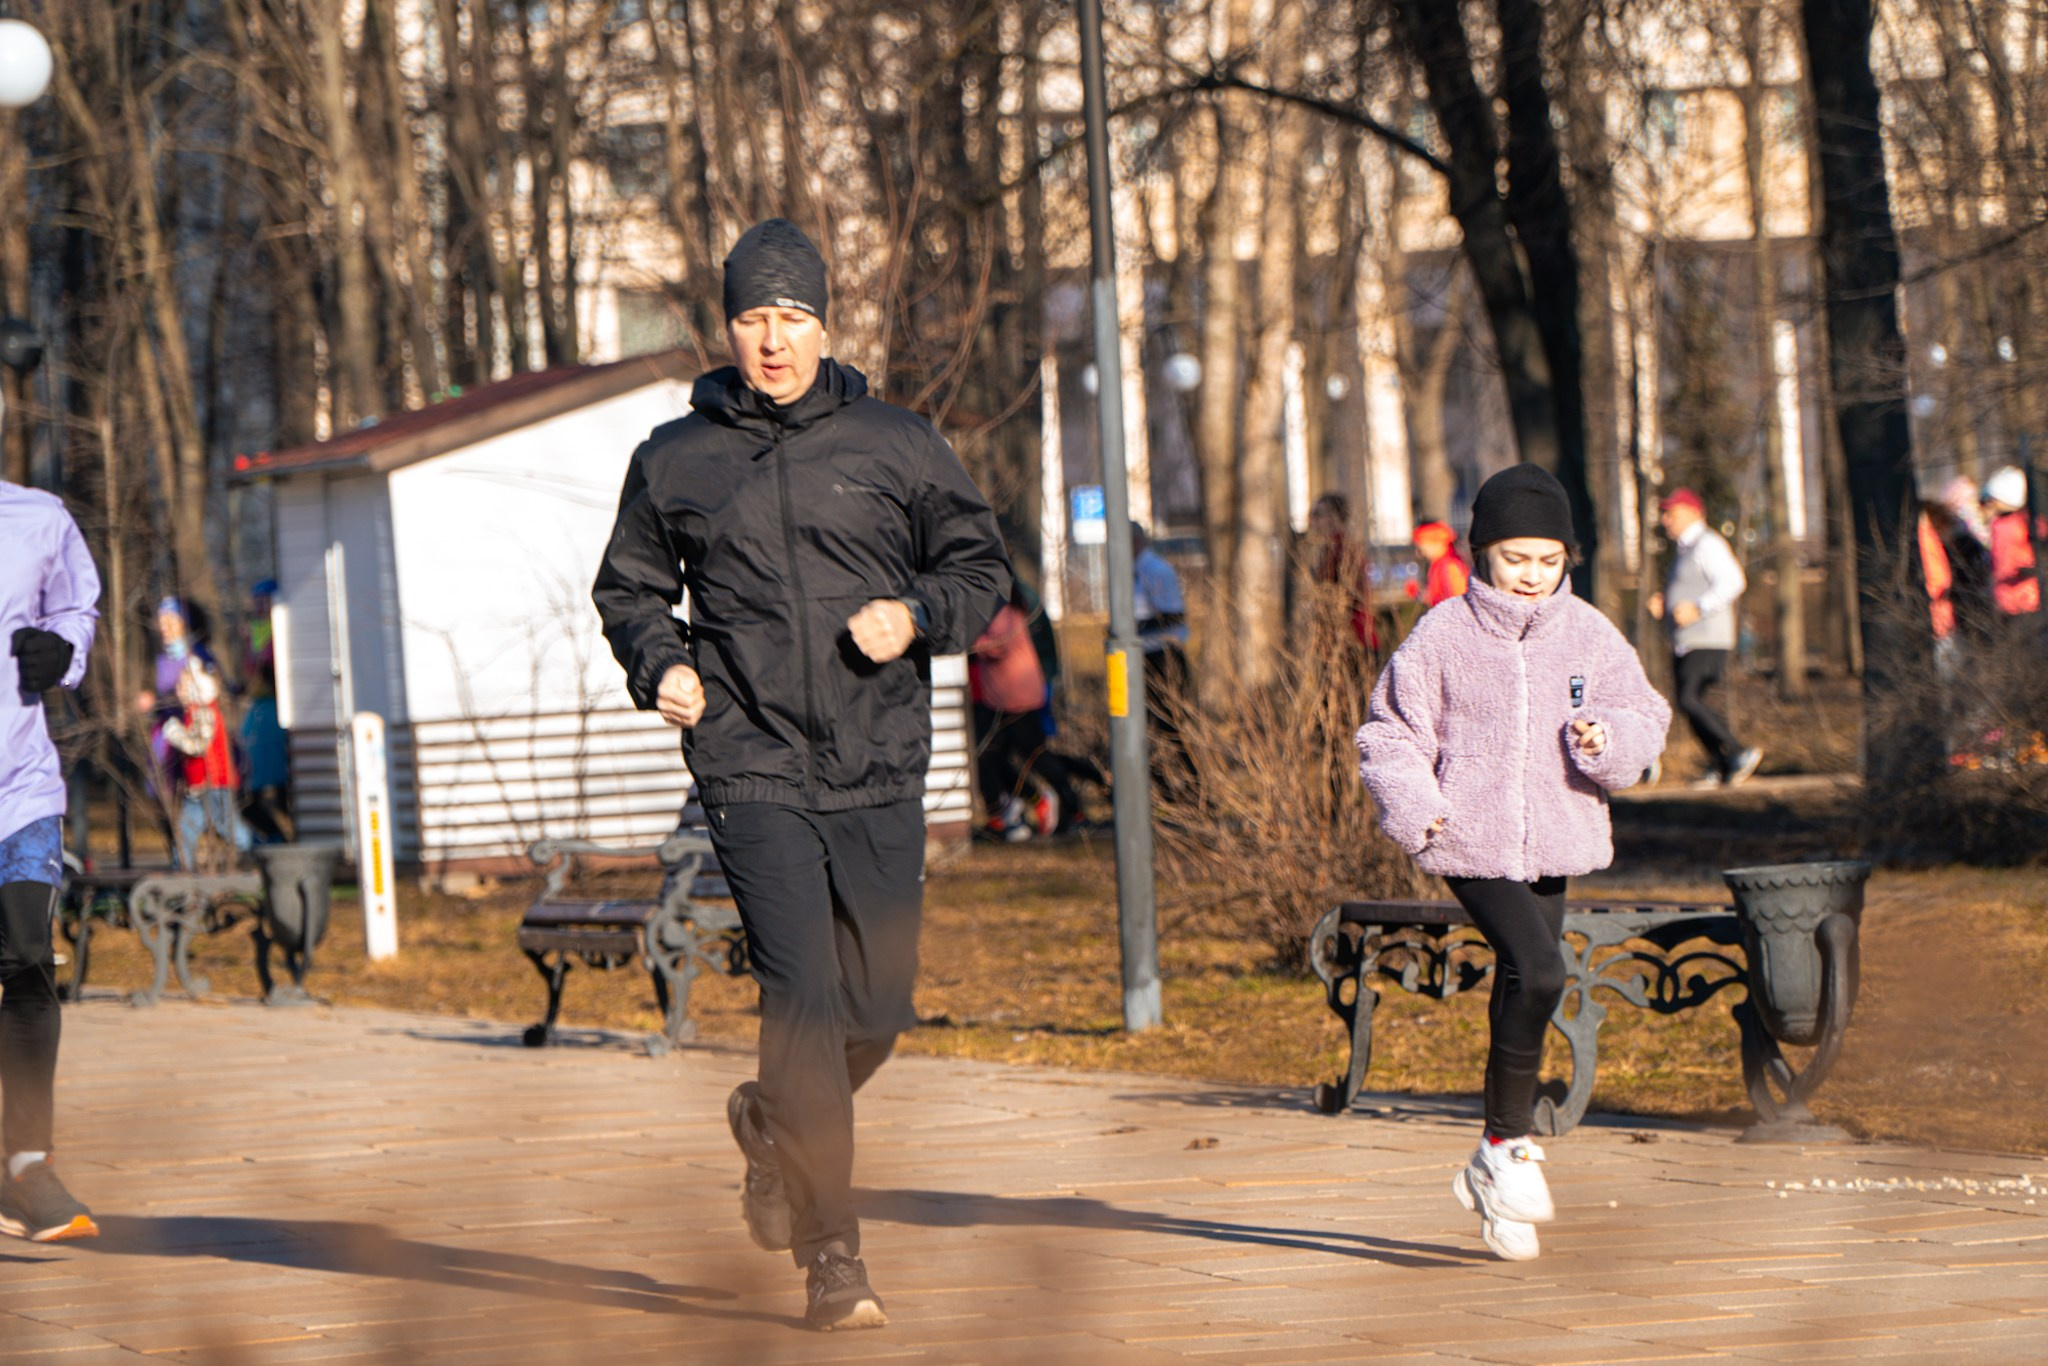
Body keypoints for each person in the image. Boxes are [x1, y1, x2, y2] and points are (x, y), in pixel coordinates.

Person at [592, 218, 1010, 1331]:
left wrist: (914, 615)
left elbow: (979, 568)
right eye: (750, 318)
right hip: (748, 760)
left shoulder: (895, 444)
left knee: (876, 1004)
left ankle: (772, 1125)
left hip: (876, 758)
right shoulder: (674, 458)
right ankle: (833, 1257)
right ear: (724, 326)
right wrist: (662, 664)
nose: (770, 340)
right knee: (804, 999)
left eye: (791, 318)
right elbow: (629, 591)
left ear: (824, 324)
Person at [1356, 464, 1669, 1262]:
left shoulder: (1590, 633)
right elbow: (1388, 733)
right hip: (1468, 835)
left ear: (1568, 558)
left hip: (1556, 836)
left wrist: (1609, 737)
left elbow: (1644, 714)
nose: (1531, 577)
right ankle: (1508, 1148)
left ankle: (1492, 1162)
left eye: (1547, 561)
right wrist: (1420, 810)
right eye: (1514, 559)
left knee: (1522, 985)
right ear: (1481, 554)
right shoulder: (1443, 636)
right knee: (1542, 969)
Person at [0, 477, 101, 1243]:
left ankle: (27, 1165)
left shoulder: (38, 516)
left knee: (30, 956)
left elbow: (75, 607)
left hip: (20, 790)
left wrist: (62, 652)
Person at [1648, 488, 1762, 788]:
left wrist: (1699, 608)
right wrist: (1667, 603)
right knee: (1687, 700)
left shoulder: (1707, 543)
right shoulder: (1685, 550)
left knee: (1689, 698)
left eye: (1672, 513)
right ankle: (1722, 764)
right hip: (1688, 638)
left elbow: (1734, 581)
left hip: (1708, 637)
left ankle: (1737, 752)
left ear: (1694, 513)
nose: (1665, 519)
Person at [971, 584, 1083, 840]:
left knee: (1034, 755)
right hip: (1002, 697)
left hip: (1018, 696)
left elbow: (997, 645)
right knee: (993, 756)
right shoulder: (1002, 606)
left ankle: (1068, 805)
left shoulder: (1003, 609)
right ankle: (1019, 806)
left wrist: (968, 640)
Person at [1131, 521, 1194, 790]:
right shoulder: (1132, 572)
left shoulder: (1156, 570)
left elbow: (1175, 614)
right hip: (1143, 656)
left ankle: (1193, 788)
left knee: (1170, 726)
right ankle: (1164, 789)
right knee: (1143, 727)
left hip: (1163, 656)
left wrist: (1134, 628)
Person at [1307, 493, 1377, 650]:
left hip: (1353, 639)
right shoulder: (1331, 549)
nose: (1313, 521)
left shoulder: (1344, 549)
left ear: (1334, 517)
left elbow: (1355, 594)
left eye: (1318, 514)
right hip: (1343, 639)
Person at [1980, 465, 2040, 620]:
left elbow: (2004, 565)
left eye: (1993, 498)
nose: (1989, 502)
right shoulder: (2021, 522)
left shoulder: (2012, 525)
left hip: (2019, 601)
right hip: (2021, 599)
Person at [1410, 520, 1471, 608]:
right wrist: (1419, 594)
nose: (1421, 551)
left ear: (1436, 542)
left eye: (1422, 545)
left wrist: (1428, 597)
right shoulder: (1437, 564)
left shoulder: (1450, 565)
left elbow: (1458, 602)